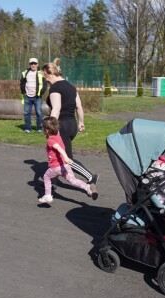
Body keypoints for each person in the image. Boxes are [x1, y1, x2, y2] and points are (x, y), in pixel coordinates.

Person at [41, 58, 99, 197]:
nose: (46, 81)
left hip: (61, 126)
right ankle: (53, 183)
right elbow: (79, 107)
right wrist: (81, 122)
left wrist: (50, 126)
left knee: (67, 157)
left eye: (45, 77)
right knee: (56, 154)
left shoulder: (56, 88)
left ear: (50, 74)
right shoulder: (71, 87)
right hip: (72, 124)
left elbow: (56, 108)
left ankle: (91, 177)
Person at [38, 117, 95, 204]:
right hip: (65, 166)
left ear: (46, 130)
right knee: (73, 180)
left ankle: (48, 196)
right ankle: (87, 187)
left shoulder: (51, 140)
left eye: (43, 129)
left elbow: (59, 148)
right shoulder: (57, 135)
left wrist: (66, 157)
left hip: (55, 167)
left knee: (46, 176)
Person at [20, 57, 47, 133]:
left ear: (37, 64)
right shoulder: (25, 73)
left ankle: (39, 128)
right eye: (31, 63)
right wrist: (23, 92)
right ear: (29, 64)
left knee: (39, 112)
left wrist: (41, 93)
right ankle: (27, 128)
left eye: (35, 63)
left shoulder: (41, 73)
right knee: (26, 113)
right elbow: (22, 83)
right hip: (27, 96)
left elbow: (45, 84)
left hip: (37, 97)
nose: (33, 65)